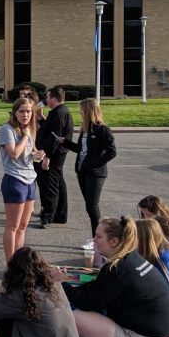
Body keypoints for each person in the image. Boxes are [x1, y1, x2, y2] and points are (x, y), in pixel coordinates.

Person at [52, 216, 169, 337]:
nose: (94, 240)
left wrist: (59, 283)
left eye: (99, 236)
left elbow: (87, 302)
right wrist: (66, 282)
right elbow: (95, 289)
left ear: (114, 241)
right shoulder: (130, 258)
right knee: (80, 311)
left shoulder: (118, 270)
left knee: (72, 317)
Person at [55, 98, 116, 256]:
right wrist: (65, 142)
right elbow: (80, 149)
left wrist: (96, 163)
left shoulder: (102, 130)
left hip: (96, 174)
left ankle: (96, 239)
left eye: (81, 109)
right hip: (82, 172)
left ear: (88, 110)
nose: (79, 112)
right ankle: (97, 238)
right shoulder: (84, 129)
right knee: (90, 206)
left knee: (92, 207)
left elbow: (112, 151)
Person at [0, 98, 44, 264]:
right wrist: (25, 136)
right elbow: (14, 154)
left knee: (23, 226)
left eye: (28, 111)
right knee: (12, 226)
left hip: (30, 180)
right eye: (22, 111)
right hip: (14, 180)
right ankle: (11, 265)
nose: (25, 114)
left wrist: (39, 156)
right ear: (15, 112)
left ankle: (18, 264)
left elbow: (29, 154)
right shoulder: (7, 129)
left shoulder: (29, 129)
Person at [35, 85, 73, 228]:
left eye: (48, 97)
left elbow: (54, 138)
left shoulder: (59, 113)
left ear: (54, 99)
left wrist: (47, 156)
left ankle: (48, 216)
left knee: (50, 185)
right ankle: (60, 214)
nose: (46, 100)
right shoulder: (58, 112)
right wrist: (40, 118)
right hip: (58, 153)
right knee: (58, 183)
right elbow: (50, 131)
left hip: (54, 154)